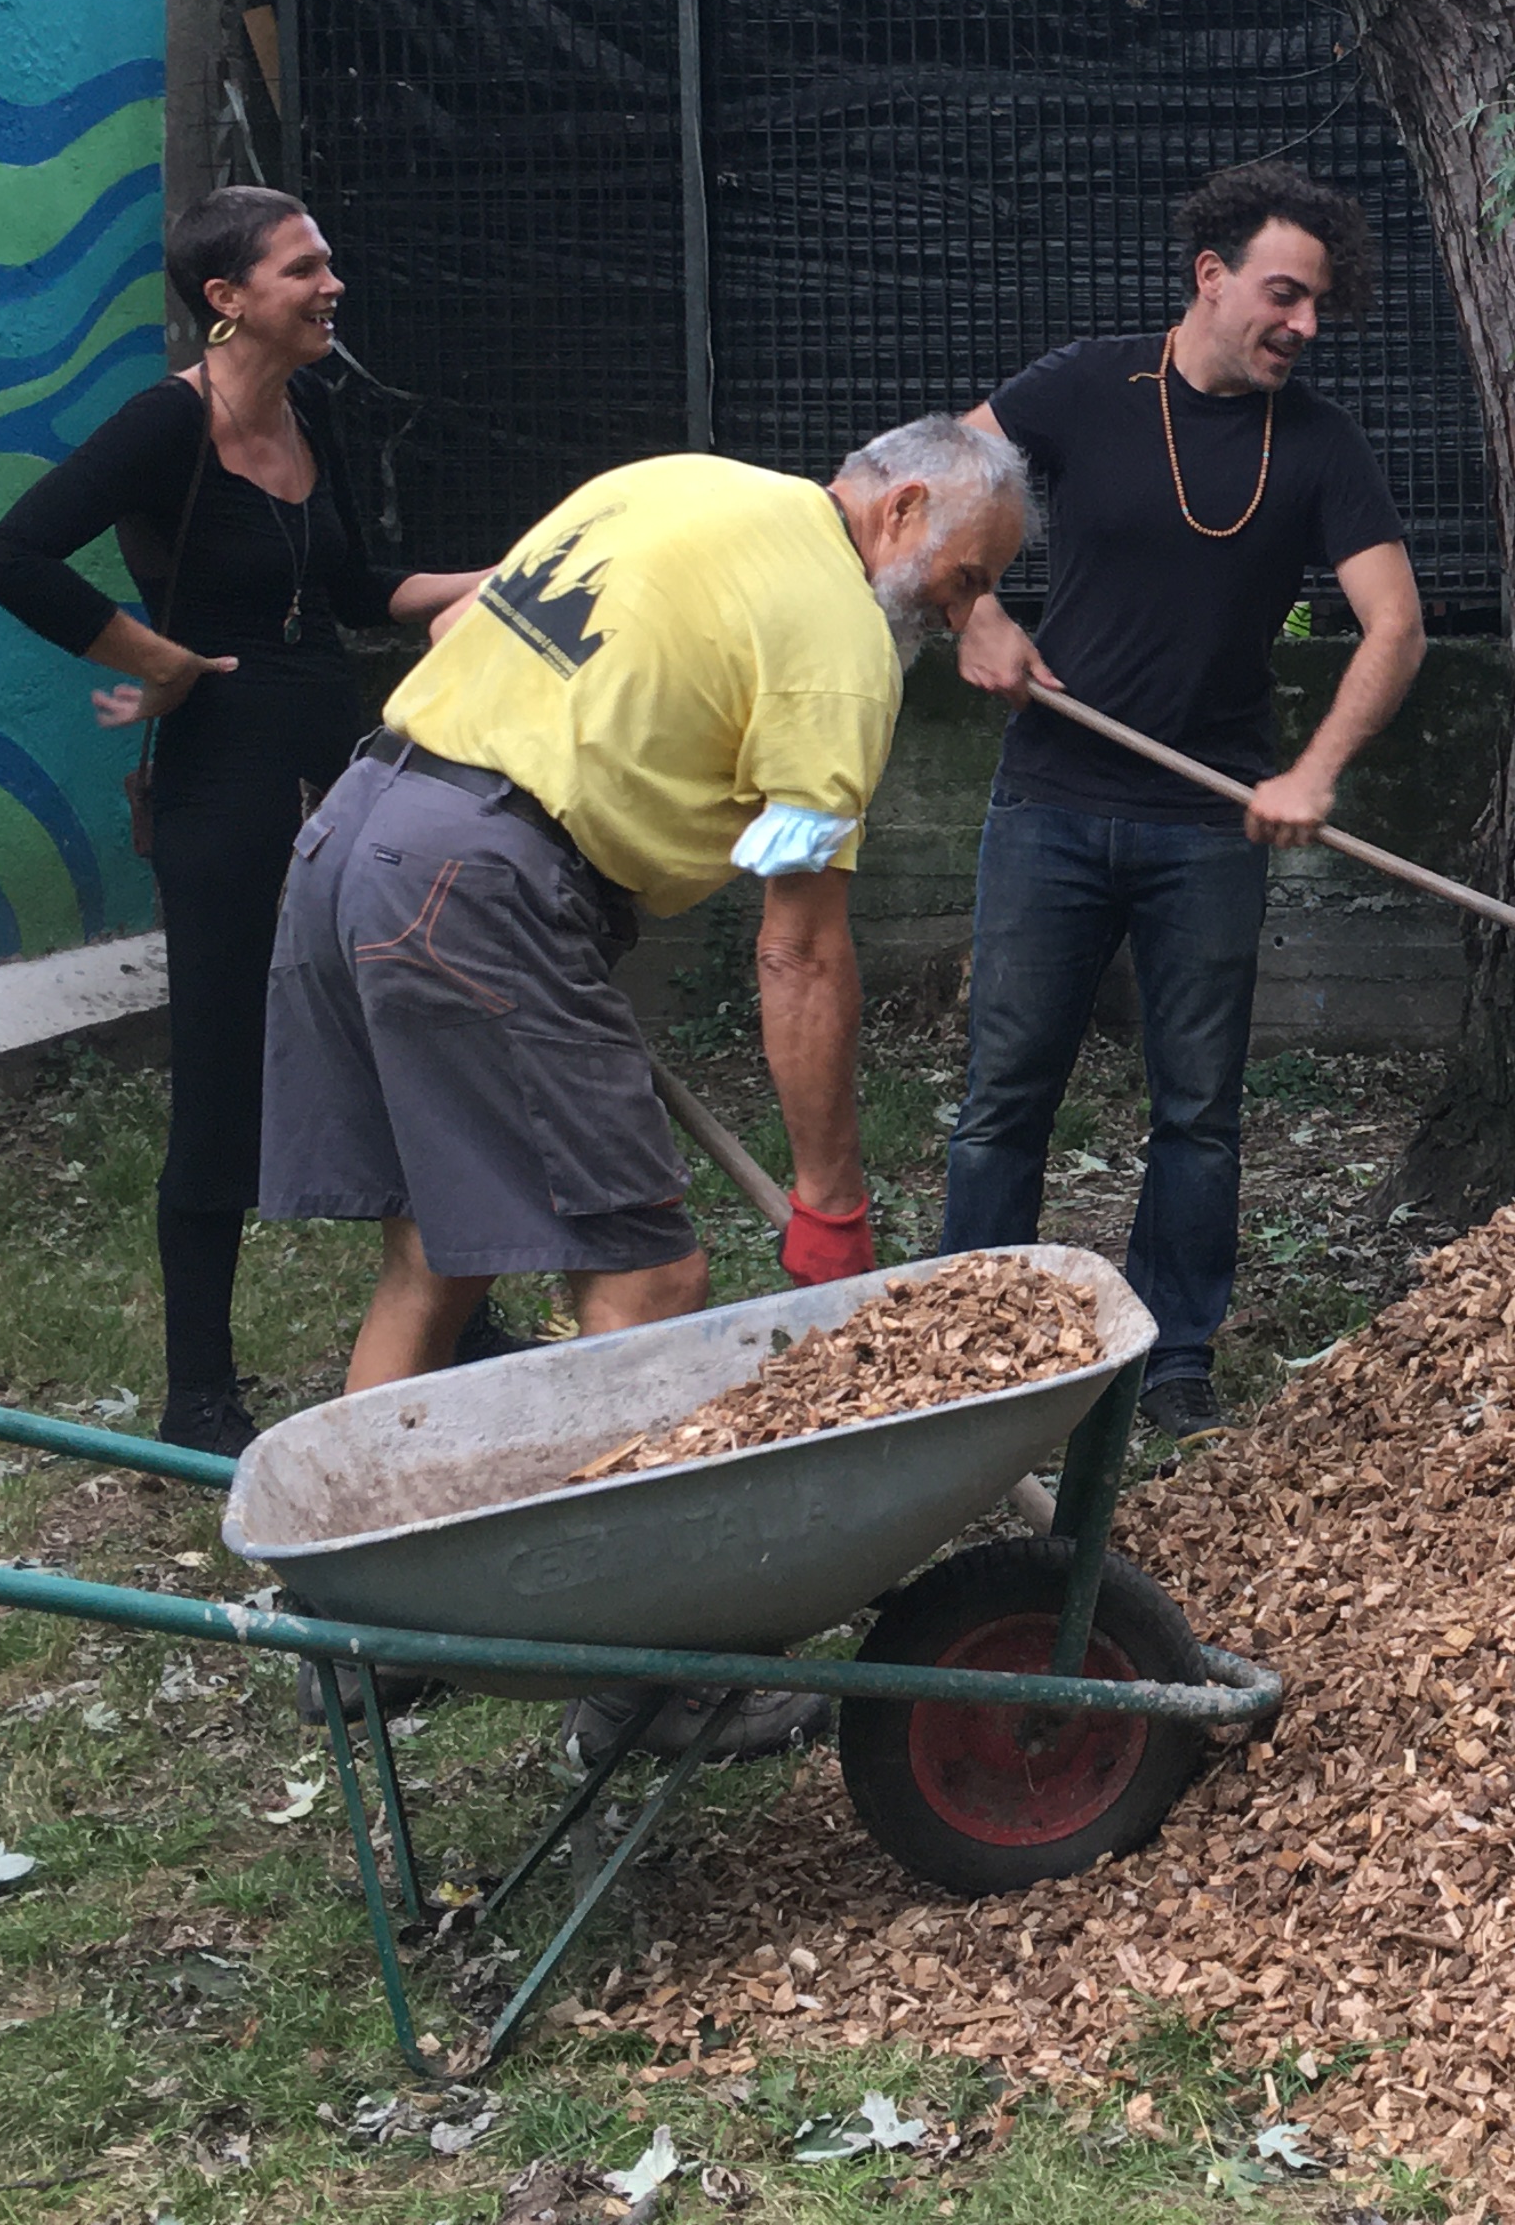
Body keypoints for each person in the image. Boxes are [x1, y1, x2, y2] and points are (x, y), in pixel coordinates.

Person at [260, 413, 1029, 1762]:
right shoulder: (840, 648)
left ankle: (357, 1631)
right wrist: (831, 1200)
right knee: (651, 1282)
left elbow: (466, 630)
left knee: (436, 1253)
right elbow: (799, 948)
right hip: (477, 884)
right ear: (902, 508)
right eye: (965, 578)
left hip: (357, 832)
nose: (960, 613)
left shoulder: (676, 486)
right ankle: (654, 1688)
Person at [0, 187, 484, 1456]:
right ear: (226, 298)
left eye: (327, 262)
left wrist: (503, 575)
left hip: (345, 769)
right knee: (219, 1072)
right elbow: (12, 557)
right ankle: (198, 1392)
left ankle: (460, 1322)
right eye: (303, 268)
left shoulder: (312, 413)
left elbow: (355, 589)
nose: (332, 285)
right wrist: (157, 656)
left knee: (403, 1032)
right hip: (221, 784)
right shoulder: (166, 422)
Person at [939, 163, 1428, 1440]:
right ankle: (966, 1354)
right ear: (1212, 277)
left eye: (1318, 305)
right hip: (1050, 803)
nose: (1304, 325)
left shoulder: (1316, 445)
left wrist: (1313, 770)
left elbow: (1395, 625)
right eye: (1285, 295)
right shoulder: (1086, 388)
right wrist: (971, 610)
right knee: (1005, 1097)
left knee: (1198, 1113)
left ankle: (1174, 1361)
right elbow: (919, 487)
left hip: (1207, 827)